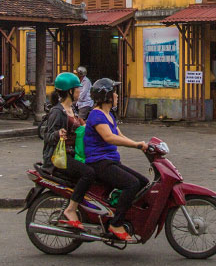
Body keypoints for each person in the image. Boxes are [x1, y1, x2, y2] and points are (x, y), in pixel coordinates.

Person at [84, 77, 148, 241]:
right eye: (114, 93)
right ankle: (115, 223)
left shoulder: (109, 114)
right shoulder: (96, 115)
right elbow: (109, 138)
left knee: (143, 182)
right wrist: (136, 145)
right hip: (99, 162)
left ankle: (119, 210)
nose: (117, 96)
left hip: (110, 160)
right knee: (131, 183)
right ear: (106, 96)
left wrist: (141, 144)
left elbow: (119, 135)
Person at [41, 72, 97, 230]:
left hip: (73, 154)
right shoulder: (57, 112)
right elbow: (46, 136)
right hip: (59, 158)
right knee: (88, 173)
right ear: (69, 92)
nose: (80, 92)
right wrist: (57, 134)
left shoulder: (73, 108)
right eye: (77, 89)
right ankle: (70, 209)